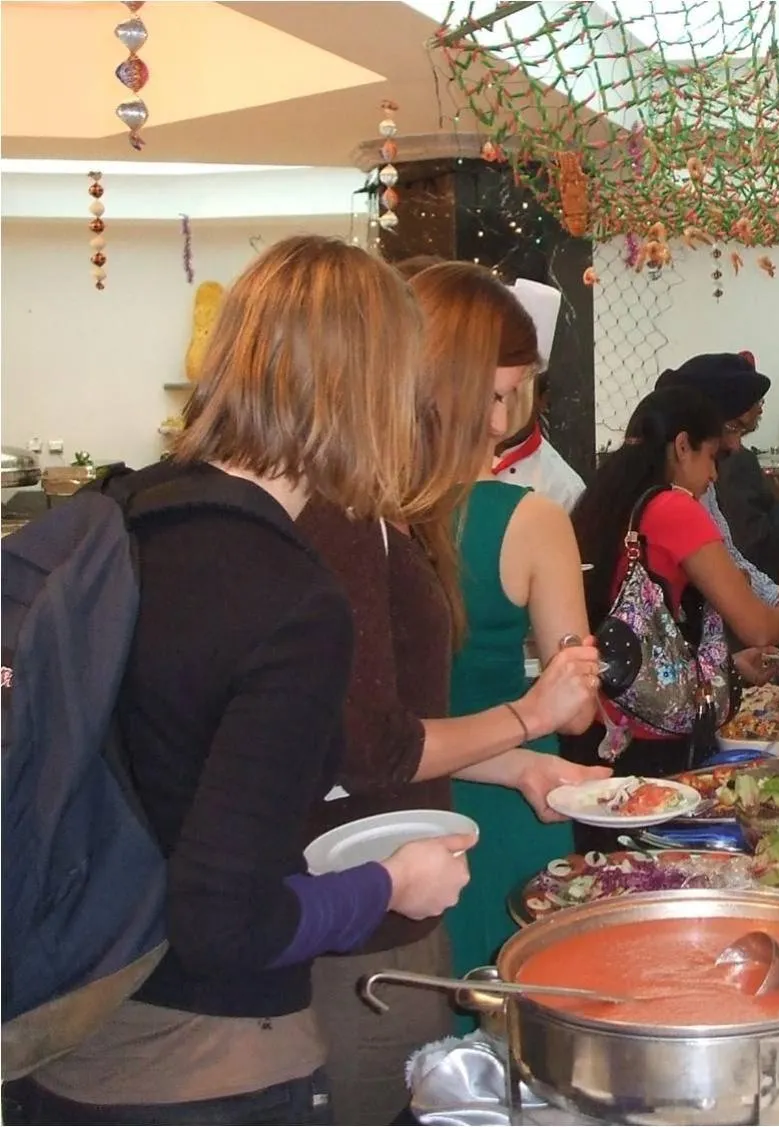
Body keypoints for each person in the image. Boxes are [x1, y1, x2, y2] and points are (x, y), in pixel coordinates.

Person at [12, 237, 472, 1125]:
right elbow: (226, 919)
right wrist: (390, 886)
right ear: (367, 393)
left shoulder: (123, 514)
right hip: (196, 1066)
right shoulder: (292, 596)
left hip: (65, 1019)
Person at [293, 262, 605, 1123]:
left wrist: (520, 768)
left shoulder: (397, 518)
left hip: (413, 868)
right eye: (495, 397)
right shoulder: (350, 520)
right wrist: (535, 718)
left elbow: (394, 720)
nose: (502, 423)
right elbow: (376, 743)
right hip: (365, 894)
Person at [429, 266, 606, 986]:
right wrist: (554, 686)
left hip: (404, 812)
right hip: (509, 805)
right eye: (495, 397)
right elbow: (577, 711)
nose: (501, 422)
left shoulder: (359, 515)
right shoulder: (530, 519)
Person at [566, 387, 779, 851]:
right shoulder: (672, 508)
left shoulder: (605, 504)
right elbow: (757, 625)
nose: (712, 475)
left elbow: (656, 626)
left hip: (603, 724)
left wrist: (733, 665)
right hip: (654, 737)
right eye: (712, 456)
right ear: (683, 444)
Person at [656, 354, 779, 606]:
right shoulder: (671, 503)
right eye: (731, 428)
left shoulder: (701, 487)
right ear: (684, 444)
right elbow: (754, 626)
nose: (735, 445)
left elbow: (732, 558)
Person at [487, 279, 587, 512]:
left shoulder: (563, 489)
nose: (502, 407)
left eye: (514, 391)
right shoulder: (447, 464)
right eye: (495, 393)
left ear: (543, 399)